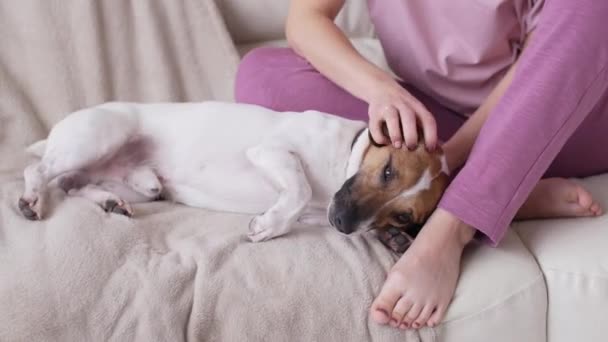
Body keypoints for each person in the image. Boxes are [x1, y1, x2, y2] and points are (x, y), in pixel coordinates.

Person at [235, 0, 608, 330]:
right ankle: (510, 190)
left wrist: (453, 156)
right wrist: (381, 90)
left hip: (558, 118)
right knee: (263, 75)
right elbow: (307, 19)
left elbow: (542, 66)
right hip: (433, 125)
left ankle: (456, 222)